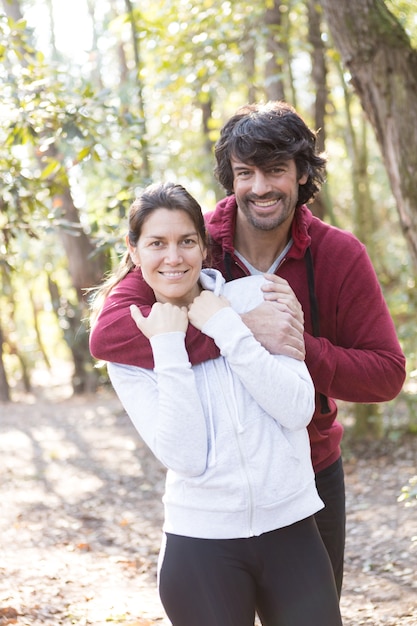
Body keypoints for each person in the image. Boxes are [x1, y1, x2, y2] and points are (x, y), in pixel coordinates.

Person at [89, 102, 406, 597]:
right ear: (229, 178)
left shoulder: (339, 255)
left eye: (276, 170)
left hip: (310, 477)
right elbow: (110, 333)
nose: (260, 187)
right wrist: (237, 327)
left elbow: (386, 374)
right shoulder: (192, 243)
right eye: (245, 173)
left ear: (302, 174)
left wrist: (300, 346)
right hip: (214, 498)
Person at [91, 181, 343, 626]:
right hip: (201, 544)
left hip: (292, 529)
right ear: (133, 252)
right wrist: (169, 345)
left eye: (187, 241)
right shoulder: (132, 347)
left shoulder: (259, 296)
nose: (174, 257)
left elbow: (298, 409)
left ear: (204, 246)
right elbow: (185, 457)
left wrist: (228, 327)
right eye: (157, 243)